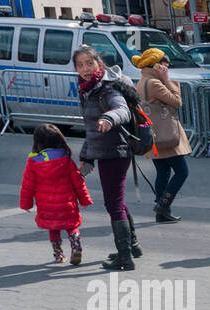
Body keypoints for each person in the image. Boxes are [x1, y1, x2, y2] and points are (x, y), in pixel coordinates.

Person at [75, 44, 139, 271]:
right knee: (117, 199)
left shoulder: (107, 89)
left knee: (113, 202)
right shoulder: (87, 89)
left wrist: (109, 118)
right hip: (105, 150)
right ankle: (132, 246)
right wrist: (86, 156)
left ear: (99, 64)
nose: (85, 69)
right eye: (80, 65)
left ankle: (125, 257)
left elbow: (121, 110)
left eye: (90, 63)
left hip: (116, 151)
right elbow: (90, 129)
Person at [19, 123, 92, 265]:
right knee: (71, 226)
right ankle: (76, 245)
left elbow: (27, 186)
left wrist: (26, 204)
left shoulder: (33, 161)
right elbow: (78, 182)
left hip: (46, 205)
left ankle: (59, 255)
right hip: (67, 203)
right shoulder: (66, 159)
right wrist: (84, 200)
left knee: (53, 228)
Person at [133, 48, 191, 224]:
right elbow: (177, 101)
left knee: (163, 172)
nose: (167, 69)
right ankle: (163, 205)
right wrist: (167, 81)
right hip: (166, 135)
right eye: (165, 66)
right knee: (182, 171)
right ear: (157, 65)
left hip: (155, 136)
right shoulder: (154, 83)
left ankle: (162, 211)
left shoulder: (143, 80)